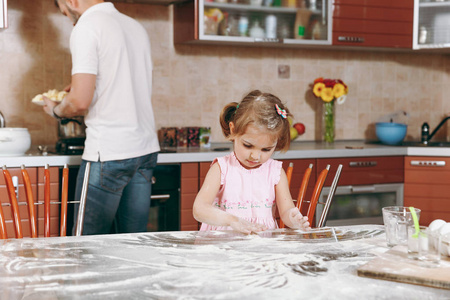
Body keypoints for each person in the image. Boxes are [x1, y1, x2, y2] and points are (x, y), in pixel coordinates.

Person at [42, 0, 160, 235]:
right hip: (145, 151)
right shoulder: (135, 26)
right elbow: (120, 84)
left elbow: (79, 102)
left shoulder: (87, 26)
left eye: (66, 13)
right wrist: (82, 90)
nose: (70, 19)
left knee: (86, 246)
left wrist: (56, 110)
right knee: (133, 245)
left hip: (109, 153)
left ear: (72, 1)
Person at [193, 90, 311, 234]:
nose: (255, 156)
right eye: (248, 145)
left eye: (266, 149)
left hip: (261, 247)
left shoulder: (275, 172)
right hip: (223, 245)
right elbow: (199, 209)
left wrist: (293, 219)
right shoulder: (222, 168)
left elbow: (286, 211)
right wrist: (232, 220)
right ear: (233, 129)